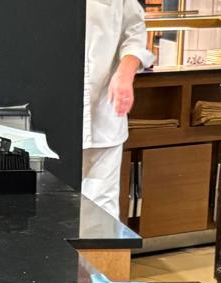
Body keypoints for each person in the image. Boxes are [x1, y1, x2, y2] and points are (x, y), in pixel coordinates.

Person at [82, 0, 153, 217]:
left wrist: (125, 73)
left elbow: (134, 31)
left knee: (101, 212)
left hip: (103, 111)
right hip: (46, 118)